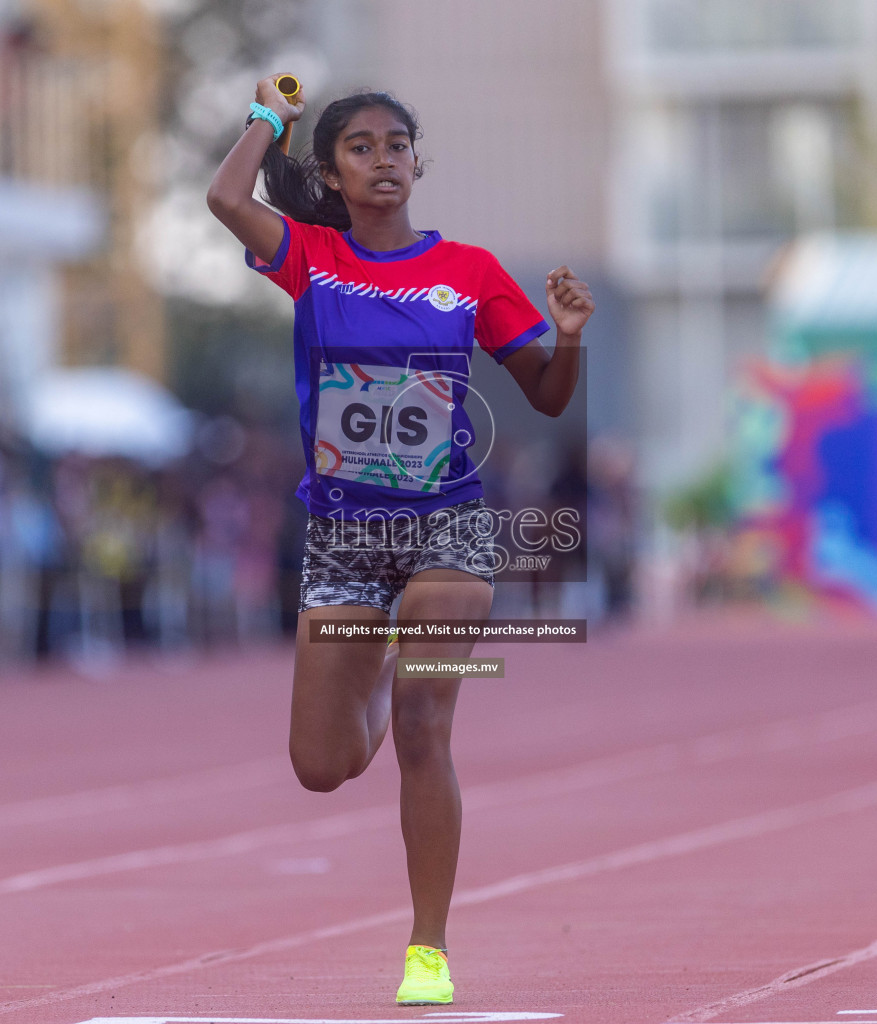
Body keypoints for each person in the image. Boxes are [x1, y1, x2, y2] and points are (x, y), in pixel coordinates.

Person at [206, 75, 594, 1005]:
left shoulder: (469, 271)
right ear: (332, 175)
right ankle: (378, 658)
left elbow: (546, 393)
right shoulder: (310, 258)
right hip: (344, 533)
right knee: (321, 767)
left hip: (450, 524)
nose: (385, 161)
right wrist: (271, 115)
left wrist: (570, 337)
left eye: (397, 146)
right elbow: (225, 198)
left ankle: (429, 948)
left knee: (427, 732)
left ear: (419, 162)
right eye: (362, 148)